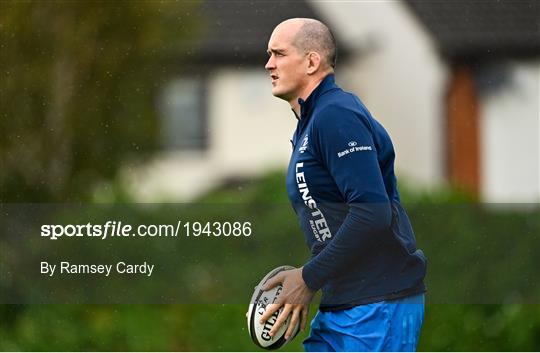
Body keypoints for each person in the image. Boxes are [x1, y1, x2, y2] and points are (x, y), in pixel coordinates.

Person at [259, 18, 427, 351]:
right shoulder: (311, 123)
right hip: (344, 303)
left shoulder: (336, 114)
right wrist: (309, 279)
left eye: (278, 54)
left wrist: (307, 279)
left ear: (311, 61)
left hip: (378, 302)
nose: (269, 64)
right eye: (269, 54)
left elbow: (372, 213)